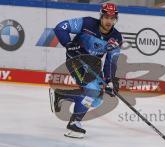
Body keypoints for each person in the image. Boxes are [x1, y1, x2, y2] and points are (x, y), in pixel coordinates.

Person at [51, 2, 122, 138]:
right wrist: (69, 44)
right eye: (106, 17)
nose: (109, 21)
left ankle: (61, 95)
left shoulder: (116, 38)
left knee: (97, 100)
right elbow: (60, 28)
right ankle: (74, 123)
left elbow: (111, 62)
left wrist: (109, 81)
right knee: (92, 91)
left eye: (112, 18)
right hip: (76, 61)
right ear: (101, 16)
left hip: (93, 65)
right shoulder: (87, 23)